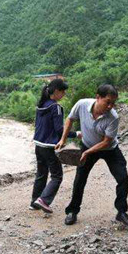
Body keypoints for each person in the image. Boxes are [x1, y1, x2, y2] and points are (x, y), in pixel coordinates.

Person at [56, 84, 128, 227]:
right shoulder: (82, 105)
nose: (110, 106)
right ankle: (72, 211)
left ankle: (121, 212)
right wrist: (63, 139)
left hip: (109, 150)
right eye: (108, 102)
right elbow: (70, 119)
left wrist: (87, 152)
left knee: (123, 178)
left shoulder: (113, 117)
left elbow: (106, 142)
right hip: (87, 145)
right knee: (80, 179)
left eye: (113, 103)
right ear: (98, 97)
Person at [30, 78, 76, 213]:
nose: (64, 94)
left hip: (38, 144)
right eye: (63, 92)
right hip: (50, 146)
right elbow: (60, 130)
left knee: (41, 173)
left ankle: (34, 202)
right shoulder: (55, 107)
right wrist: (76, 134)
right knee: (57, 175)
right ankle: (43, 200)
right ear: (56, 91)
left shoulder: (41, 105)